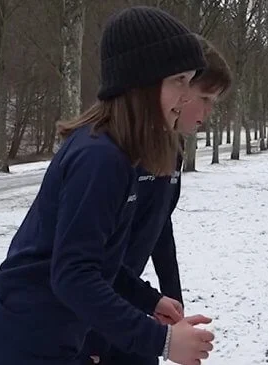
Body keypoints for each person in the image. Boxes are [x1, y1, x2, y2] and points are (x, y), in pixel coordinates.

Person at [0, 6, 215, 365]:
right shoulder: (100, 158)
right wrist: (161, 341)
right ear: (142, 80)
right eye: (179, 79)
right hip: (25, 339)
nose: (186, 94)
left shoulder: (117, 151)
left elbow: (91, 259)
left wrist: (148, 300)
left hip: (49, 334)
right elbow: (73, 276)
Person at [84, 35, 233, 365]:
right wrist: (92, 333)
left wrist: (171, 300)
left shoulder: (171, 149)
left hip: (130, 301)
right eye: (204, 97)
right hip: (92, 312)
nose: (208, 111)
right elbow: (82, 260)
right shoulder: (113, 154)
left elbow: (159, 227)